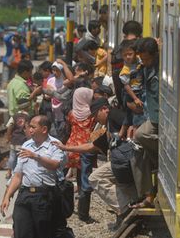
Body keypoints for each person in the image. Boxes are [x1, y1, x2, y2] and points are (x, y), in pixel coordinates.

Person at [0, 115, 66, 238]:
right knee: (23, 234)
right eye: (29, 127)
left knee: (42, 236)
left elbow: (55, 164)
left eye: (33, 126)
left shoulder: (54, 144)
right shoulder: (26, 145)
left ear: (44, 129)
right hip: (25, 195)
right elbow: (18, 175)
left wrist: (36, 156)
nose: (29, 129)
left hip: (43, 195)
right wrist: (8, 195)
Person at [53, 98, 138, 230]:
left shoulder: (113, 115)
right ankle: (125, 208)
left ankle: (125, 207)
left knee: (95, 178)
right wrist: (66, 148)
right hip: (121, 162)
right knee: (100, 178)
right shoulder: (107, 127)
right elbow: (91, 146)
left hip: (128, 160)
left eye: (96, 116)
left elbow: (131, 122)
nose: (95, 120)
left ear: (104, 110)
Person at [129, 37, 159, 208]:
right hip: (150, 114)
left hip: (159, 118)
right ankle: (147, 194)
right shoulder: (144, 67)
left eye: (147, 58)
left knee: (141, 135)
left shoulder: (162, 66)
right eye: (142, 59)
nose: (144, 62)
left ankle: (163, 152)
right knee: (137, 147)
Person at [65, 88, 96, 223]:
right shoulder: (91, 114)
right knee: (84, 180)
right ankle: (84, 214)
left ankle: (66, 206)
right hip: (86, 148)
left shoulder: (71, 113)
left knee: (65, 176)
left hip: (72, 147)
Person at [111, 21, 143, 107]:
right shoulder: (141, 47)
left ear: (124, 33)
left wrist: (121, 101)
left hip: (125, 95)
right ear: (140, 34)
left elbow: (116, 78)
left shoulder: (118, 50)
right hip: (140, 94)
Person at [119, 39, 145, 139]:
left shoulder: (139, 60)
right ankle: (135, 138)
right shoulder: (125, 70)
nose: (128, 57)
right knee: (137, 117)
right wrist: (135, 98)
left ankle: (121, 135)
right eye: (125, 55)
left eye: (130, 54)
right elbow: (126, 86)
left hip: (139, 91)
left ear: (135, 53)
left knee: (129, 116)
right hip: (131, 94)